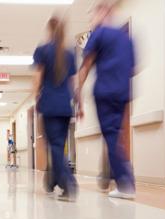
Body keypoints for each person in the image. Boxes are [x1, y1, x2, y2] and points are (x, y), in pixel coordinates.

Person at [76, 1, 136, 199]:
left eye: (93, 15)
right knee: (116, 137)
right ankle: (119, 177)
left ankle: (125, 183)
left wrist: (78, 94)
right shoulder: (127, 39)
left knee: (110, 137)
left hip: (105, 93)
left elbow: (85, 65)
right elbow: (134, 68)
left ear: (103, 13)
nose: (92, 19)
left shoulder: (99, 33)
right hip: (123, 93)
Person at [33, 16, 78, 201]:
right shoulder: (69, 54)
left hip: (50, 105)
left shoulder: (43, 50)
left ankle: (69, 184)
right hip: (65, 106)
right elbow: (72, 83)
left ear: (49, 30)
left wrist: (36, 98)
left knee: (55, 147)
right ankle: (53, 181)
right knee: (59, 146)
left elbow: (38, 77)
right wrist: (79, 103)